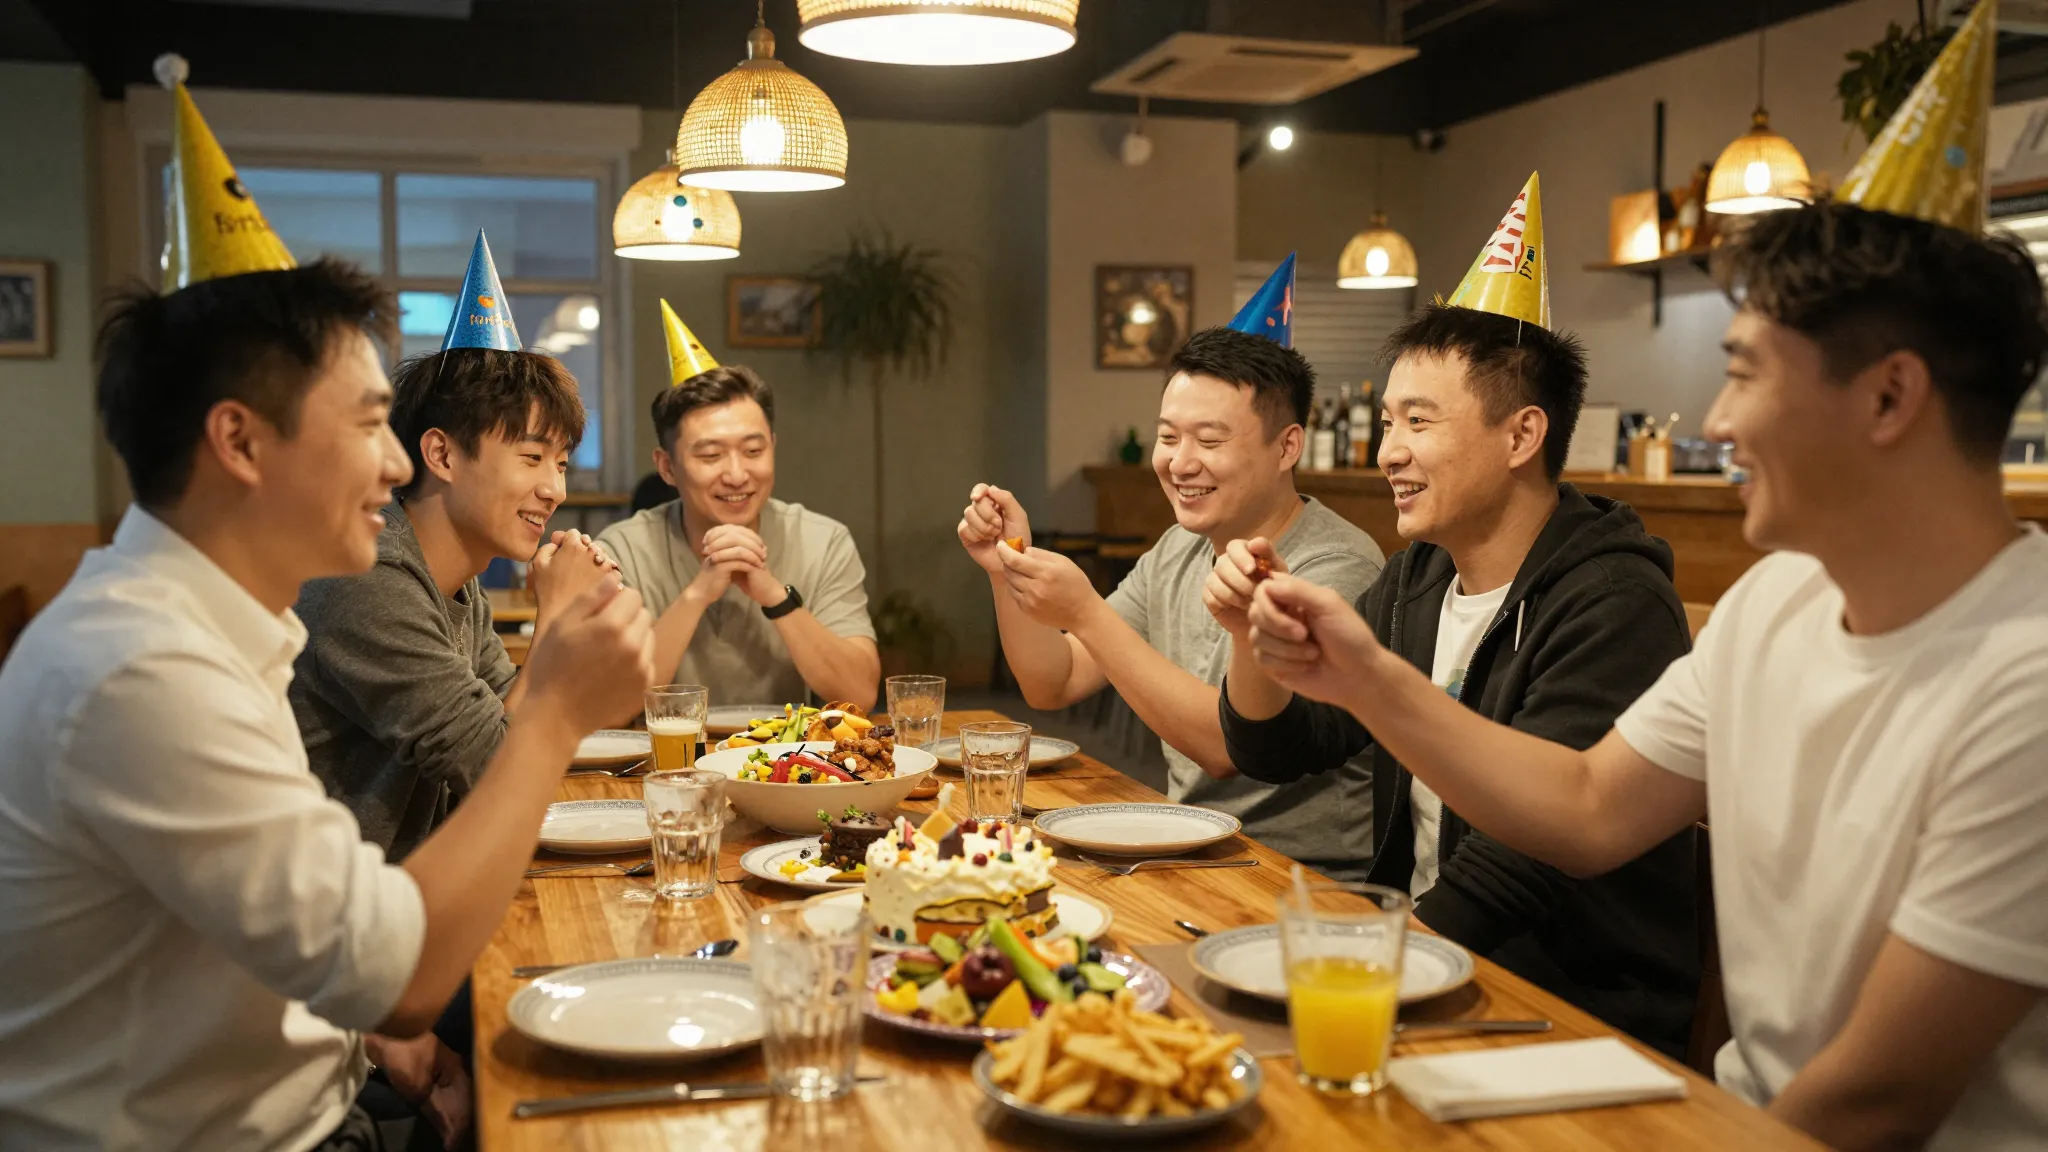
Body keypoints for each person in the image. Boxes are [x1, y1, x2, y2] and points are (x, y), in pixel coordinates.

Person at [1245, 9, 2048, 1147]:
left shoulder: (2026, 681)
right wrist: (1367, 676)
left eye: (1744, 373)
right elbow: (1582, 808)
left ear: (1887, 397)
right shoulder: (1773, 603)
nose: (1715, 421)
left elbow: (1880, 1096)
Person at [0, 66, 652, 1152]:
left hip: (321, 1083)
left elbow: (288, 930)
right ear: (239, 442)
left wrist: (366, 1041)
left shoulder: (224, 627)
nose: (397, 463)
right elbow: (394, 972)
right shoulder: (137, 670)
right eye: (366, 424)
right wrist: (553, 710)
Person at [1212, 175, 1699, 1056]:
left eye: (1418, 423)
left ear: (1521, 436)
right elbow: (1282, 751)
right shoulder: (1418, 580)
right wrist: (1254, 635)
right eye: (1388, 420)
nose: (1387, 451)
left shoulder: (1614, 601)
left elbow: (1528, 860)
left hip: (1563, 1010)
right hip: (1436, 966)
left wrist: (1364, 963)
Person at [960, 257, 1387, 874]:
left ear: (1287, 446)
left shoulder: (1336, 566)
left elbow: (1227, 747)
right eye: (1168, 437)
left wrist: (1083, 611)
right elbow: (1053, 682)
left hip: (1299, 877)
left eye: (1209, 442)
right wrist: (1007, 566)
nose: (1180, 463)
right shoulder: (1178, 549)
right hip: (1186, 848)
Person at [292, 230, 617, 864]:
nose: (554, 489)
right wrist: (554, 622)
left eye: (562, 463)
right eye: (531, 458)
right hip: (345, 925)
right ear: (440, 453)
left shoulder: (456, 582)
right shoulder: (366, 575)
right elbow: (499, 768)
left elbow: (501, 719)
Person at [598, 300, 878, 709]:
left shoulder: (823, 540)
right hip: (664, 766)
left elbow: (859, 695)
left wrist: (773, 594)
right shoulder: (622, 549)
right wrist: (698, 593)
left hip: (783, 764)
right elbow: (612, 708)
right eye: (710, 455)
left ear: (773, 449)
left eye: (752, 450)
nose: (736, 474)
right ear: (667, 467)